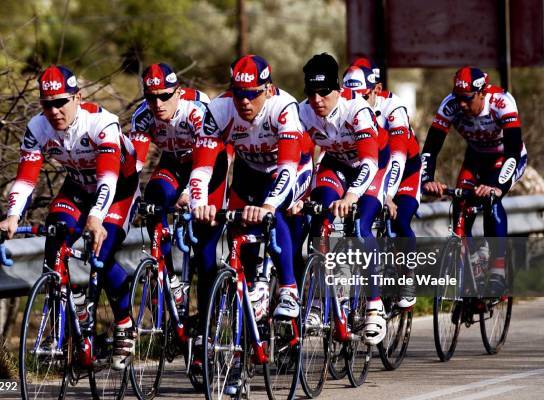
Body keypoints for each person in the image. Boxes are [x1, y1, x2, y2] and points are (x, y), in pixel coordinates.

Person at [0, 65, 140, 370]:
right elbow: (25, 180)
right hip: (77, 185)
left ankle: (125, 323)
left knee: (101, 252)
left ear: (78, 97)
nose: (55, 110)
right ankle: (74, 316)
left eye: (61, 102)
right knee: (55, 237)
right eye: (47, 104)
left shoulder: (102, 123)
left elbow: (107, 179)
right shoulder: (37, 128)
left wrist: (97, 217)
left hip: (118, 188)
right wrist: (11, 216)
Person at [190, 54, 313, 320]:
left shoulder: (284, 106)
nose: (245, 101)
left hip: (292, 169)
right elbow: (201, 168)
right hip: (249, 171)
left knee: (273, 212)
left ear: (268, 90)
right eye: (239, 93)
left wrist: (268, 205)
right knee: (238, 235)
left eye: (253, 94)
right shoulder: (219, 109)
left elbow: (287, 168)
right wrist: (198, 204)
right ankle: (246, 315)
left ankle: (289, 290)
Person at [129, 63, 229, 327]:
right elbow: (133, 168)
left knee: (205, 248)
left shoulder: (196, 111)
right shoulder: (143, 117)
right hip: (174, 163)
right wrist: (130, 199)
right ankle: (171, 280)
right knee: (153, 196)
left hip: (209, 166)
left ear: (178, 93)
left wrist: (189, 194)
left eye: (164, 96)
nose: (158, 103)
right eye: (151, 97)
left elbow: (204, 162)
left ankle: (208, 328)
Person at [299, 53, 387, 345]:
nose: (317, 99)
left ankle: (374, 305)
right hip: (336, 164)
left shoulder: (356, 109)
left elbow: (370, 163)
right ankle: (317, 300)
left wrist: (350, 196)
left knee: (362, 229)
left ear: (336, 88)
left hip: (370, 166)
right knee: (319, 220)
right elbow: (298, 159)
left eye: (324, 92)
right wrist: (299, 196)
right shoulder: (303, 112)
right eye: (311, 93)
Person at [421, 66, 527, 294]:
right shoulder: (450, 104)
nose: (461, 105)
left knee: (490, 200)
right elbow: (431, 148)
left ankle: (498, 268)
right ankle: (472, 264)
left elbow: (513, 151)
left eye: (467, 99)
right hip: (476, 157)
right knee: (460, 201)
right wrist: (427, 179)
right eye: (458, 98)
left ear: (482, 92)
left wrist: (497, 186)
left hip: (506, 158)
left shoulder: (501, 102)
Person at [343, 64, 421, 308]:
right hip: (372, 168)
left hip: (404, 169)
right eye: (352, 95)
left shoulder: (393, 108)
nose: (358, 101)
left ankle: (408, 276)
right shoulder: (348, 107)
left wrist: (388, 195)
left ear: (376, 90)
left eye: (364, 96)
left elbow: (397, 157)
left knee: (400, 218)